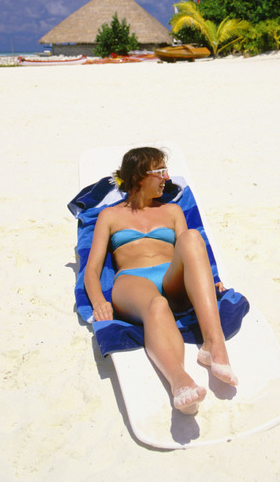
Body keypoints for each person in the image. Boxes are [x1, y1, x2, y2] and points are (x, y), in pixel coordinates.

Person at [84, 147, 237, 414]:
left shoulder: (173, 211)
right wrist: (98, 301)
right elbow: (92, 268)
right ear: (140, 176)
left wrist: (211, 279)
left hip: (171, 279)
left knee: (192, 237)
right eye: (161, 171)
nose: (167, 177)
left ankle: (214, 343)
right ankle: (179, 381)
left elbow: (192, 254)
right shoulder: (110, 216)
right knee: (156, 305)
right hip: (132, 281)